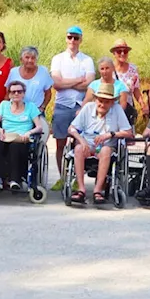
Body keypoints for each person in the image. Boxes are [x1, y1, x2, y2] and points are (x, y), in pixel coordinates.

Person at [67, 82, 134, 205]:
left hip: (107, 146)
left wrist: (110, 134)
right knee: (78, 149)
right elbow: (71, 128)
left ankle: (97, 191)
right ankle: (81, 189)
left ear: (112, 102)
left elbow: (128, 132)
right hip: (87, 143)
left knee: (105, 151)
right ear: (95, 99)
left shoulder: (117, 110)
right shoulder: (88, 108)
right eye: (100, 100)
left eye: (106, 101)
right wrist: (82, 140)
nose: (102, 104)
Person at [50, 25, 96, 190]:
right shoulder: (58, 59)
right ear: (66, 38)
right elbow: (56, 84)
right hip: (62, 105)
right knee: (60, 143)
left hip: (81, 107)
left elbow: (89, 84)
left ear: (80, 40)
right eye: (70, 37)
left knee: (80, 142)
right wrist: (78, 80)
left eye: (76, 38)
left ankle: (77, 179)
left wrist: (67, 83)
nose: (73, 41)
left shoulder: (87, 60)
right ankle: (63, 178)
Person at [0, 81, 45, 191]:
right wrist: (0, 130)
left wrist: (29, 133)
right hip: (6, 136)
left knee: (15, 146)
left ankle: (15, 180)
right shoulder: (3, 105)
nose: (16, 94)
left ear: (23, 94)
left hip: (22, 138)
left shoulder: (31, 107)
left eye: (19, 91)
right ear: (9, 94)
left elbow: (39, 127)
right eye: (13, 92)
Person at [4, 46, 53, 111]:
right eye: (27, 57)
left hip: (36, 111)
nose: (30, 60)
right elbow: (8, 93)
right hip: (15, 111)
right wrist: (5, 109)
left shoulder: (43, 71)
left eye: (33, 58)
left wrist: (42, 107)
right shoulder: (13, 71)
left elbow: (48, 93)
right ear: (21, 59)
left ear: (36, 59)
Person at [110, 38, 145, 125]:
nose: (122, 53)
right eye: (119, 51)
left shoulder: (133, 69)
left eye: (125, 51)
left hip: (127, 110)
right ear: (114, 53)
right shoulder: (109, 68)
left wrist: (142, 104)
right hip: (111, 109)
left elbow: (136, 89)